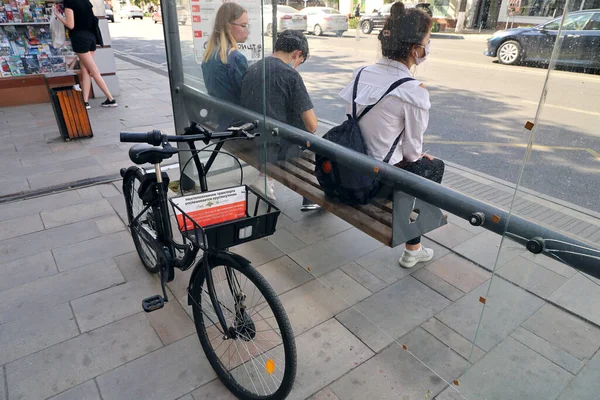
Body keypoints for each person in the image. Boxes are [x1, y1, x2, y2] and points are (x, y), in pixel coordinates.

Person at [338, 3, 444, 268]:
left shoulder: (361, 72)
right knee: (432, 166)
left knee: (417, 163)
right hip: (370, 183)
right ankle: (413, 247)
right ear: (414, 50)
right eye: (427, 42)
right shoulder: (413, 91)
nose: (428, 48)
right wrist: (422, 158)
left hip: (344, 164)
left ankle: (413, 245)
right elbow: (411, 153)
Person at [241, 30, 320, 211]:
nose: (298, 65)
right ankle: (311, 196)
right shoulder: (290, 76)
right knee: (317, 143)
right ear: (297, 54)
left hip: (250, 138)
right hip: (276, 146)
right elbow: (312, 124)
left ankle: (264, 178)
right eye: (300, 61)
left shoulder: (253, 68)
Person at [53, 0, 117, 109]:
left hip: (80, 39)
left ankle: (110, 99)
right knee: (85, 70)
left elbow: (71, 25)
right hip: (91, 38)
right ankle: (85, 101)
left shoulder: (70, 3)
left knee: (93, 71)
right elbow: (93, 19)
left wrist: (57, 15)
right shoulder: (86, 2)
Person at [201, 2, 249, 105]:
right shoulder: (236, 58)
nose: (247, 31)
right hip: (237, 118)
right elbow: (247, 97)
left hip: (218, 115)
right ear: (228, 27)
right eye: (243, 25)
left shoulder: (210, 54)